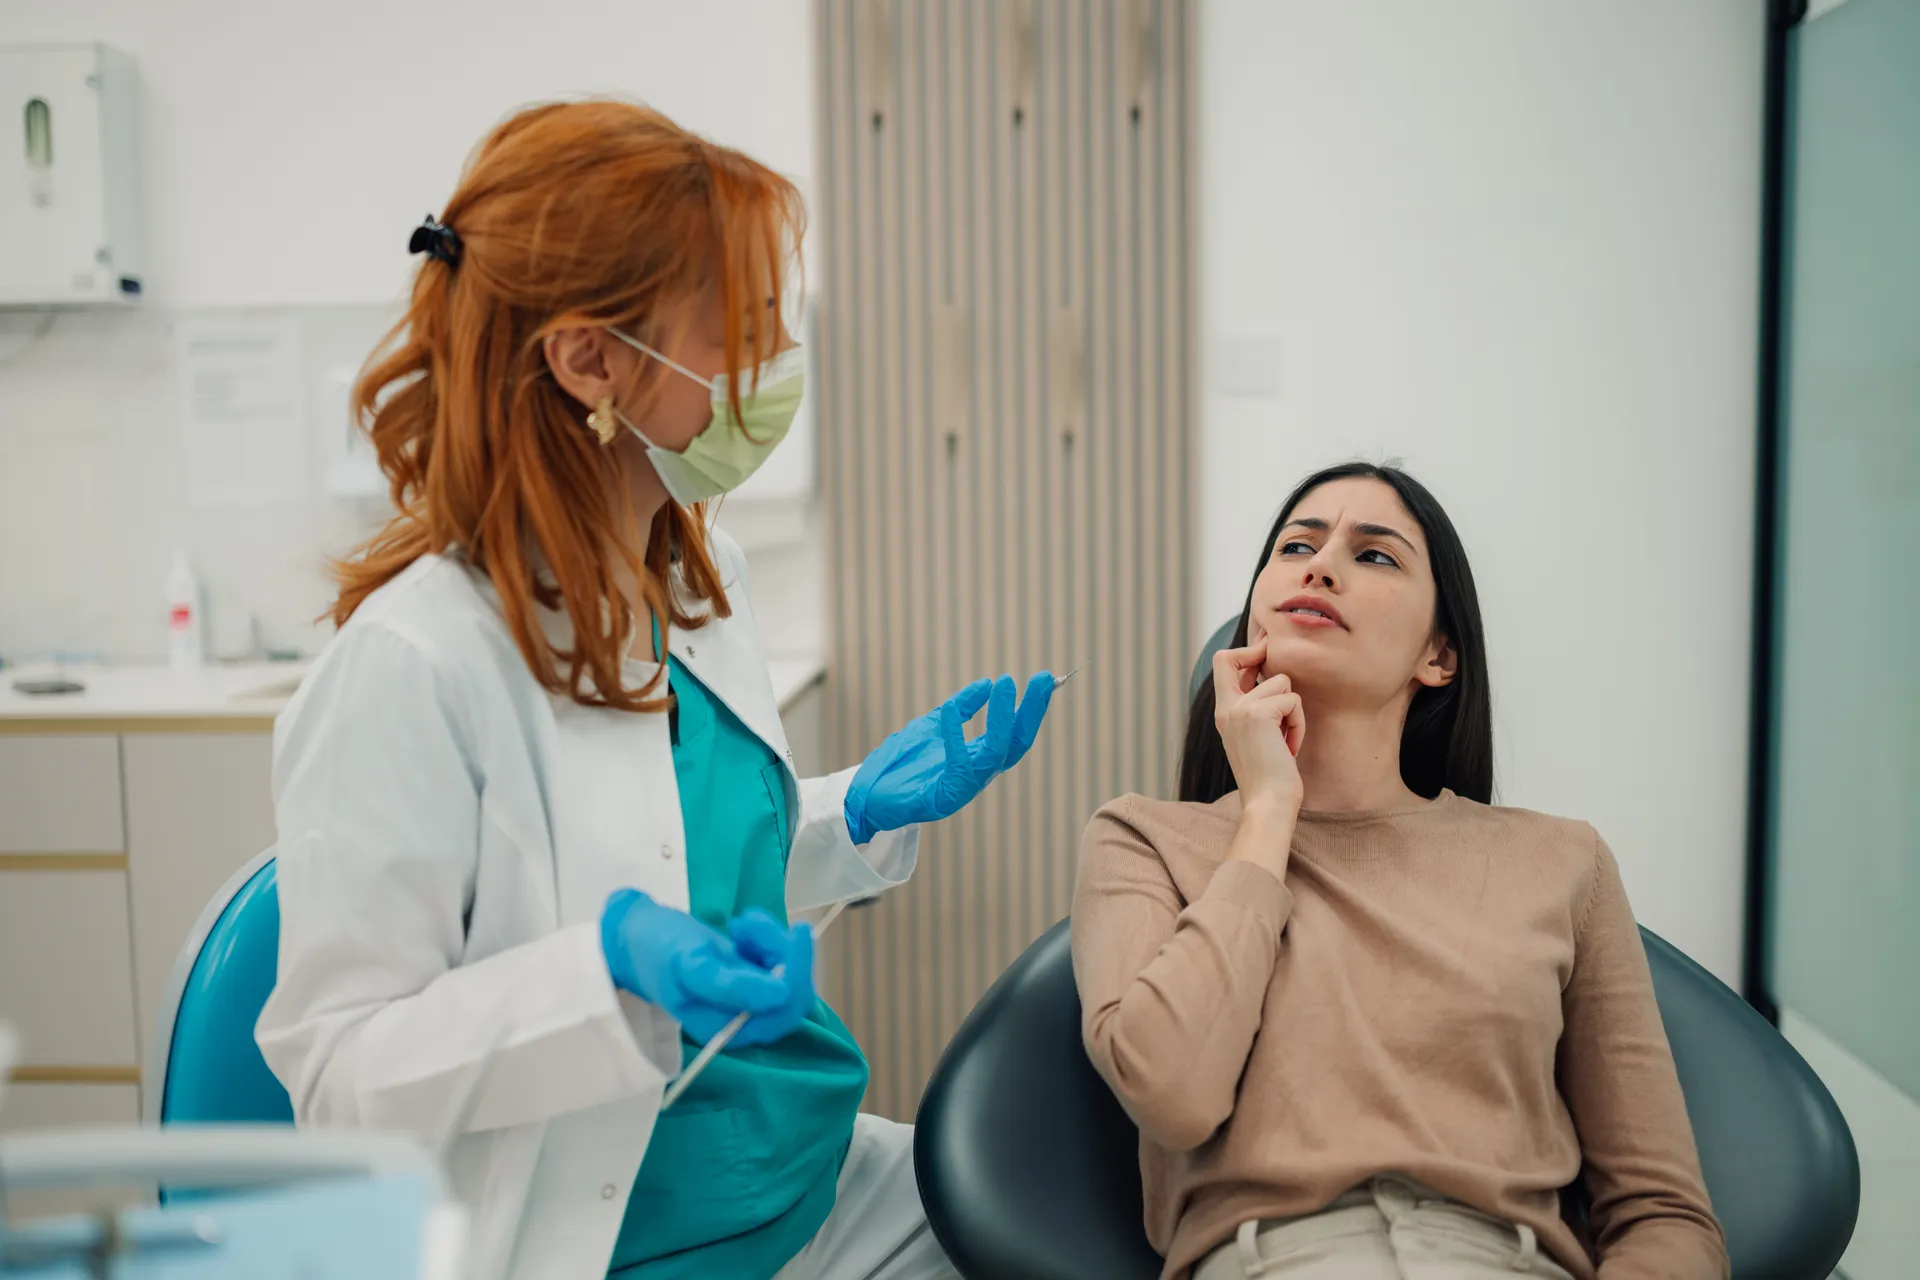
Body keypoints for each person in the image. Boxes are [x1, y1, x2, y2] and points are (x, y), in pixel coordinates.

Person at [254, 100, 1054, 1280]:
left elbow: (684, 871)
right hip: (613, 1238)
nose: (779, 358)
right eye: (745, 323)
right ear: (591, 359)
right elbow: (339, 1074)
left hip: (805, 1184)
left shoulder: (693, 574)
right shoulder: (416, 664)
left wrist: (850, 816)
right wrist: (606, 973)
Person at [1070, 463, 1727, 1280]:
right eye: (1296, 545)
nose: (1319, 565)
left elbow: (1665, 1216)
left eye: (1374, 555)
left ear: (1439, 656)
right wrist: (1268, 811)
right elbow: (1172, 1091)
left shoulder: (1565, 862)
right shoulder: (1143, 840)